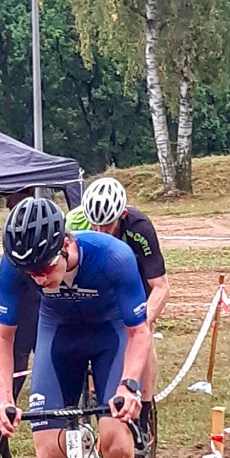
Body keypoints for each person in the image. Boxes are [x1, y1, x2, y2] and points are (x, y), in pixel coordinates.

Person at [0, 197, 151, 458]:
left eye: (45, 269)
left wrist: (130, 386)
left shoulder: (113, 256)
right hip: (58, 337)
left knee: (117, 446)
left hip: (111, 336)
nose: (39, 279)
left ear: (65, 245)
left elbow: (139, 332)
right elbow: (3, 336)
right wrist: (4, 399)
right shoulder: (17, 265)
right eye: (30, 273)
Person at [76, 176, 170, 437]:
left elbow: (161, 286)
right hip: (101, 285)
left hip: (136, 286)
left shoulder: (139, 228)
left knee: (143, 337)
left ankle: (145, 413)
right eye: (94, 224)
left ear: (122, 215)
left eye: (107, 225)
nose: (100, 231)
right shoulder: (77, 225)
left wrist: (142, 324)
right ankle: (95, 395)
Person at [3, 190, 41, 402]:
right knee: (19, 357)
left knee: (23, 355)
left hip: (32, 309)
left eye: (11, 208)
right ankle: (10, 398)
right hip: (24, 306)